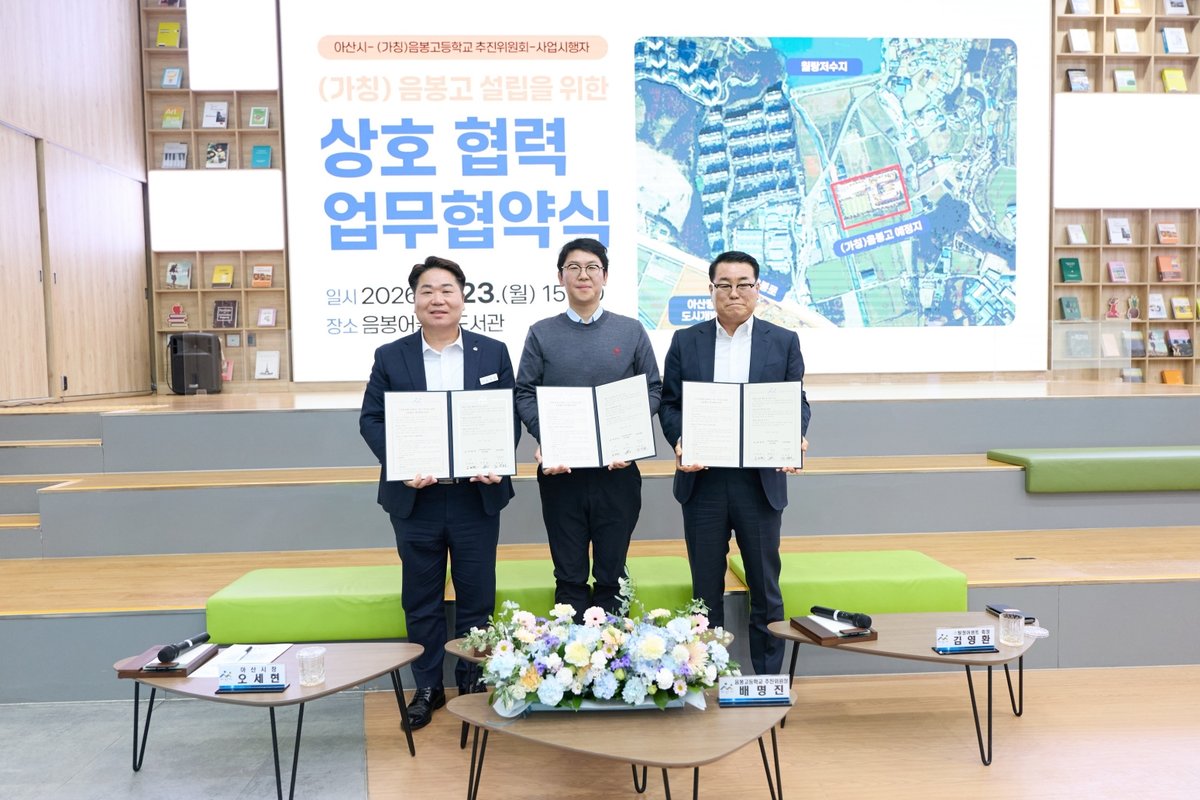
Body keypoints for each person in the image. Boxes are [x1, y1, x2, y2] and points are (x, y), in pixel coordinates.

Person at [359, 255, 519, 730]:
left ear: (463, 298)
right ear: (414, 300)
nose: (437, 299)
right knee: (421, 598)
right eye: (427, 291)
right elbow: (371, 419)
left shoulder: (493, 352)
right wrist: (401, 464)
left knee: (477, 597)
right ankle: (427, 687)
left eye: (447, 290)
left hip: (475, 498)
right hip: (417, 500)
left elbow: (507, 415)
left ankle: (472, 683)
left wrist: (495, 460)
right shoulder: (392, 356)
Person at [658, 250, 811, 675]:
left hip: (758, 482)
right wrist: (681, 441)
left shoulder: (783, 341)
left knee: (765, 586)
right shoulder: (685, 341)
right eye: (724, 285)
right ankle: (705, 676)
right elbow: (670, 404)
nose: (734, 293)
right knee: (705, 590)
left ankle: (768, 680)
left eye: (744, 284)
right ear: (711, 290)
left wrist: (793, 435)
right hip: (703, 481)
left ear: (758, 289)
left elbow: (795, 400)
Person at [515, 238, 662, 619]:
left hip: (617, 472)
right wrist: (546, 437)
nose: (583, 275)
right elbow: (525, 392)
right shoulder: (541, 332)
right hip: (562, 473)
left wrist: (628, 437)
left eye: (592, 267)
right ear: (560, 277)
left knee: (612, 575)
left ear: (605, 276)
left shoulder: (630, 331)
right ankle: (569, 653)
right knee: (569, 576)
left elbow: (653, 389)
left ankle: (614, 653)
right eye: (574, 267)